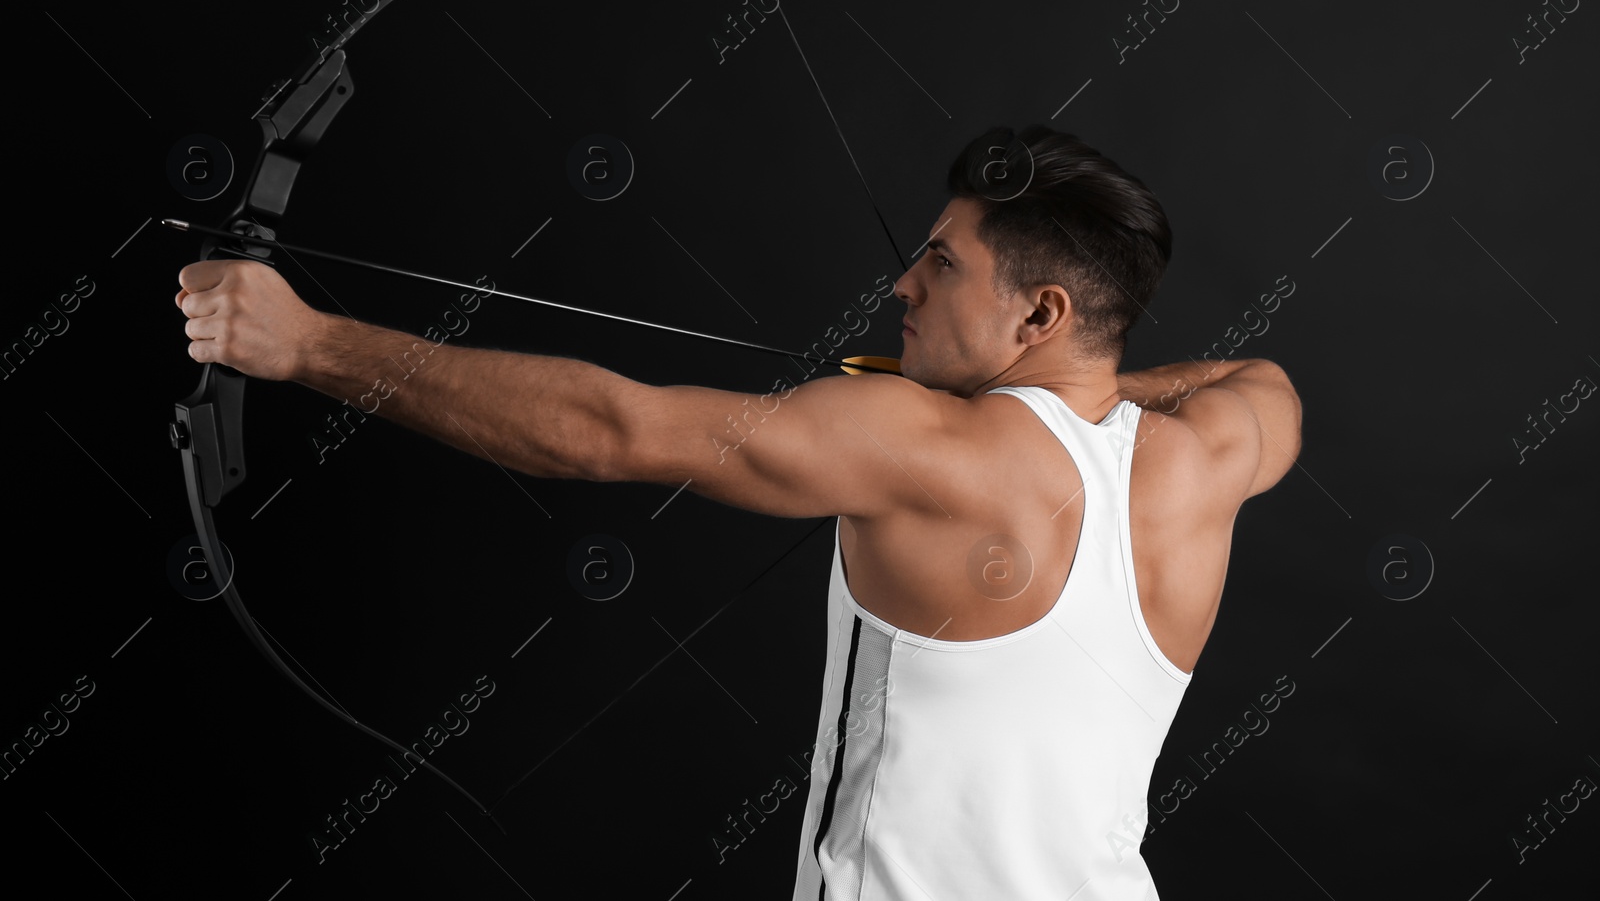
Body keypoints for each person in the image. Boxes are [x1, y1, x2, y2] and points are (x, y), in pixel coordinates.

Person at [175, 125, 1301, 899]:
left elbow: (610, 427)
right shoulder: (1210, 453)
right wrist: (1080, 398)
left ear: (1039, 310)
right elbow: (1263, 378)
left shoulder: (920, 444)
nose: (903, 284)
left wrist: (304, 343)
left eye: (941, 264)